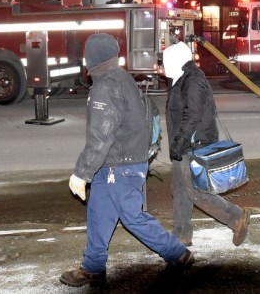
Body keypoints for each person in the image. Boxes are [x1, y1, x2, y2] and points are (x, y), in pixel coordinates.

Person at [60, 34, 193, 288]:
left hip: (119, 166)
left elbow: (101, 136)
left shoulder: (105, 86)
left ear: (93, 58)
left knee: (133, 217)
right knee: (99, 214)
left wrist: (81, 173)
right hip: (117, 163)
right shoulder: (121, 78)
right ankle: (93, 267)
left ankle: (177, 253)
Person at [162, 41, 251, 247]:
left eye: (166, 60)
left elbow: (192, 115)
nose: (164, 64)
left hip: (193, 145)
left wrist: (179, 143)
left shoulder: (192, 80)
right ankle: (181, 233)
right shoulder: (182, 78)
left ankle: (236, 217)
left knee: (197, 193)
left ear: (177, 59)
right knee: (180, 189)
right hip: (185, 144)